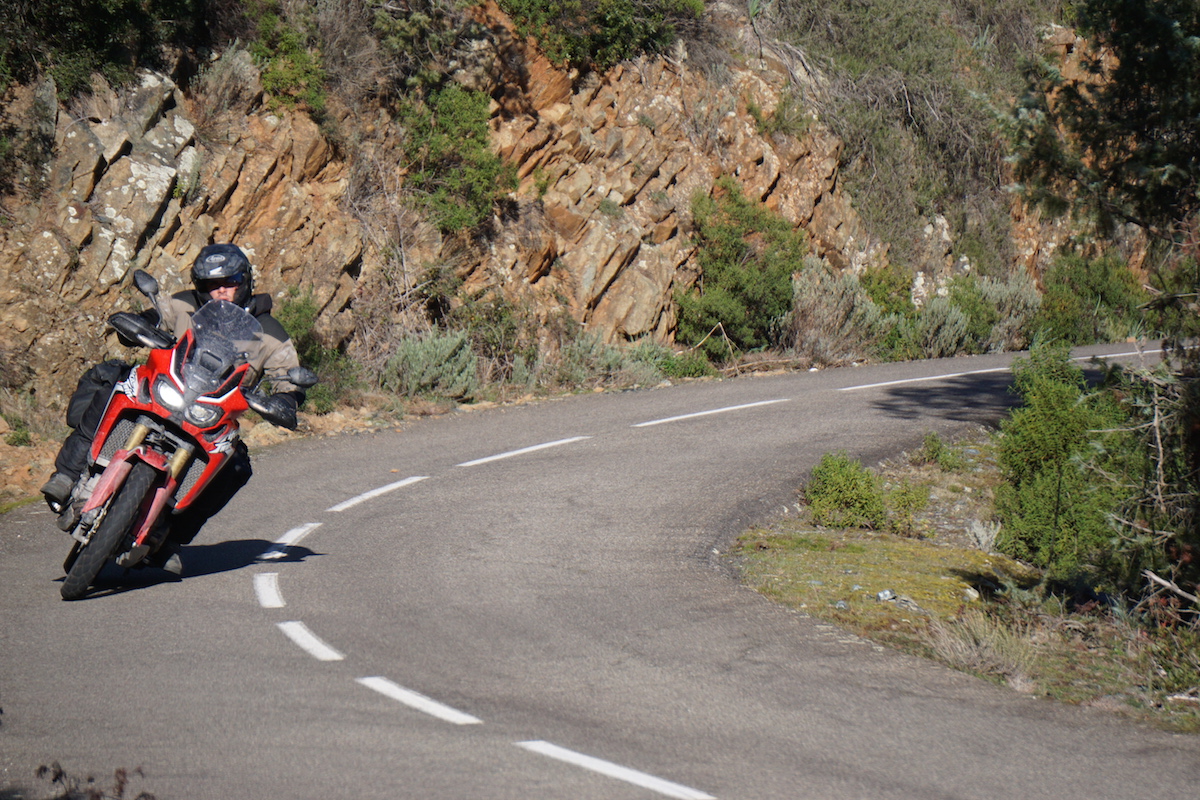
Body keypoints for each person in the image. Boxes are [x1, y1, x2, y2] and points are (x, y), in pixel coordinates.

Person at [40, 244, 308, 574]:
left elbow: (288, 378)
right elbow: (156, 315)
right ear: (199, 285)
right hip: (164, 391)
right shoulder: (184, 304)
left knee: (238, 465)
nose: (220, 290)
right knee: (115, 379)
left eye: (229, 281)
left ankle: (166, 537)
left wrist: (286, 399)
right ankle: (67, 474)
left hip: (212, 414)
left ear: (246, 281)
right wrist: (140, 324)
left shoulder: (270, 333)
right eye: (210, 284)